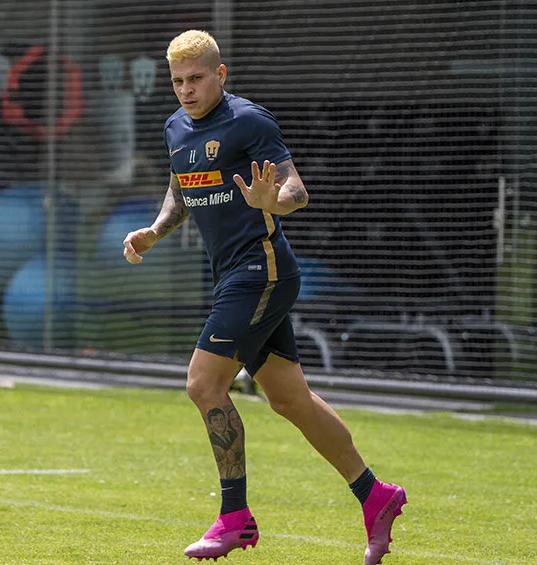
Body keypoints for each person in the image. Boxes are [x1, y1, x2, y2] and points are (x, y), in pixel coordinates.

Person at [122, 29, 406, 564]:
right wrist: (155, 231)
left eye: (196, 78)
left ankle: (235, 518)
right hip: (233, 275)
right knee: (289, 399)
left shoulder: (250, 121)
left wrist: (271, 200)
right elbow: (181, 189)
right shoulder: (175, 126)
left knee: (203, 384)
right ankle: (377, 496)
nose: (186, 90)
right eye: (178, 81)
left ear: (220, 74)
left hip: (262, 271)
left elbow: (297, 191)